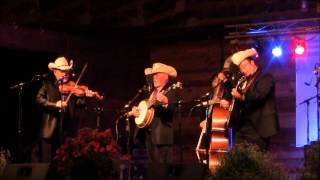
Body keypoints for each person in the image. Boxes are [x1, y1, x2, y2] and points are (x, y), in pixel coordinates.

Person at [36, 56, 96, 162]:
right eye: (62, 71)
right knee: (48, 165)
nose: (65, 73)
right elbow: (39, 99)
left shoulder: (72, 87)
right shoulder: (47, 85)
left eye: (67, 71)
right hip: (50, 132)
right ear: (55, 72)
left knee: (65, 165)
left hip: (66, 132)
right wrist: (55, 105)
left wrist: (87, 97)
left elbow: (79, 103)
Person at [229, 48, 280, 151]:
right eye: (241, 68)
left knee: (257, 159)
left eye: (244, 66)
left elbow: (259, 95)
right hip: (242, 126)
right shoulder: (244, 80)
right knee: (237, 156)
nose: (243, 70)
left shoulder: (265, 77)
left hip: (259, 127)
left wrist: (242, 96)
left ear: (252, 63)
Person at [130, 62, 179, 163]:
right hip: (148, 137)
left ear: (165, 76)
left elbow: (173, 109)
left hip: (161, 137)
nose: (154, 78)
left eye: (157, 75)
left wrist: (166, 102)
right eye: (153, 75)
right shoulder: (150, 93)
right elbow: (146, 111)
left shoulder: (171, 91)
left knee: (162, 169)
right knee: (152, 169)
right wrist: (137, 111)